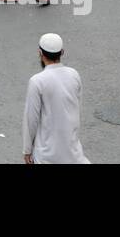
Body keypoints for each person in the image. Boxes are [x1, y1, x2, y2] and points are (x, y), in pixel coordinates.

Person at [22, 32, 89, 164]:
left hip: (46, 155)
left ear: (40, 53)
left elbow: (31, 120)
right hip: (73, 152)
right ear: (62, 52)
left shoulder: (37, 81)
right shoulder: (74, 75)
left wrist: (27, 150)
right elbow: (77, 109)